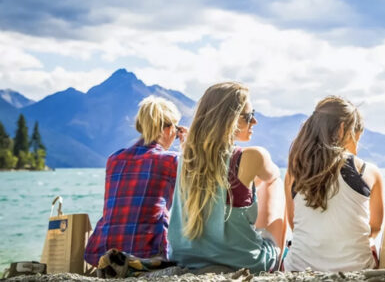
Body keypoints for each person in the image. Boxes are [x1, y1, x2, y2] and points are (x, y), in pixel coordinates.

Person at [168, 82, 285, 273]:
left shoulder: (185, 158)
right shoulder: (252, 156)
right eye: (249, 116)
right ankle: (278, 260)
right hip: (245, 262)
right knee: (275, 182)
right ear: (229, 120)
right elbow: (271, 177)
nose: (254, 122)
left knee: (244, 188)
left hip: (185, 260)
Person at [283, 96, 384, 271]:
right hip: (356, 269)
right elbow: (375, 227)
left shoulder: (295, 171)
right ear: (343, 129)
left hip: (298, 270)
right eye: (357, 133)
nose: (358, 141)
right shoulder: (369, 171)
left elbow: (293, 223)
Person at [85, 96, 186, 265]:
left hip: (105, 253)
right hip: (148, 253)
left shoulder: (114, 159)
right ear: (168, 130)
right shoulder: (171, 161)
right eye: (176, 132)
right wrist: (188, 146)